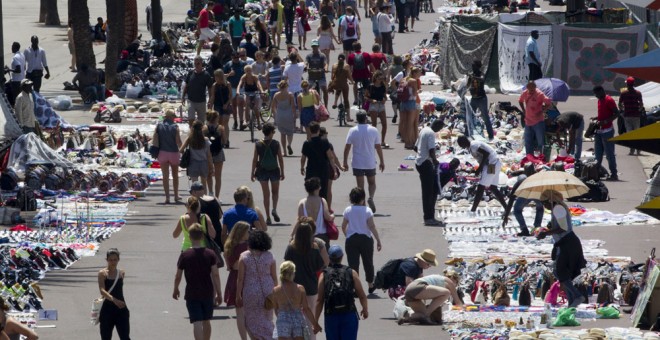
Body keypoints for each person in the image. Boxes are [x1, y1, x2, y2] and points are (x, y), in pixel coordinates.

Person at [536, 190, 586, 307]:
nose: (544, 205)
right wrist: (549, 227)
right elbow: (560, 224)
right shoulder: (557, 208)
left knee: (560, 271)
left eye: (544, 202)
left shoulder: (558, 208)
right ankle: (572, 299)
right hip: (564, 243)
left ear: (550, 200)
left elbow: (563, 228)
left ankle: (577, 296)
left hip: (568, 243)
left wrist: (546, 233)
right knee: (559, 272)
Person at [173, 224, 223, 340]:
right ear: (202, 237)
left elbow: (178, 275)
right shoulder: (210, 254)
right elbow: (215, 274)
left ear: (189, 237)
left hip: (192, 293)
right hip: (207, 292)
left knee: (196, 322)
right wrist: (219, 293)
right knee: (206, 320)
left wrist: (176, 288)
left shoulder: (185, 255)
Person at [315, 245, 368, 340]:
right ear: (342, 257)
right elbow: (362, 295)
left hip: (331, 315)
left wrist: (315, 321)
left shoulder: (324, 274)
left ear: (329, 258)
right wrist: (365, 309)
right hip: (349, 314)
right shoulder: (351, 272)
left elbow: (319, 300)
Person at [284, 219, 326, 340]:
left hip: (294, 287)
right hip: (311, 287)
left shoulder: (291, 248)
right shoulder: (314, 248)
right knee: (310, 318)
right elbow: (320, 266)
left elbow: (286, 266)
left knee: (294, 317)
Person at [235, 230, 277, 338]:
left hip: (250, 291)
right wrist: (276, 292)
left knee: (251, 320)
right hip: (268, 290)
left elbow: (240, 279)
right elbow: (274, 276)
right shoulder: (270, 256)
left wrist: (238, 295)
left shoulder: (244, 256)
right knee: (267, 318)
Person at [342, 187, 382, 294]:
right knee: (368, 262)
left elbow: (343, 226)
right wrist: (378, 239)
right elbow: (372, 226)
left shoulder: (348, 210)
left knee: (353, 264)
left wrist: (348, 236)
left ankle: (355, 287)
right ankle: (370, 284)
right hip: (366, 240)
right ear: (363, 199)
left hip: (352, 240)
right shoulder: (367, 210)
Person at [343, 111, 385, 213]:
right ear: (366, 118)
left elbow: (347, 147)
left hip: (357, 162)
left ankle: (363, 205)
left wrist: (345, 161)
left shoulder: (352, 131)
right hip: (370, 162)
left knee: (360, 186)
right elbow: (378, 147)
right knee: (372, 183)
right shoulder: (373, 130)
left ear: (357, 119)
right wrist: (382, 161)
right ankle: (370, 197)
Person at [269, 261, 322, 339]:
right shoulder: (300, 288)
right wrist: (315, 324)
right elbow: (306, 308)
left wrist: (283, 316)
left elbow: (276, 309)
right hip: (298, 320)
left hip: (283, 320)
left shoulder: (276, 290)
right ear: (293, 273)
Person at [456, 135, 508, 212]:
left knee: (481, 186)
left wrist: (479, 169)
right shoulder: (472, 146)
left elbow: (486, 154)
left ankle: (473, 210)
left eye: (461, 145)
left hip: (492, 165)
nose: (462, 147)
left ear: (463, 142)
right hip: (494, 163)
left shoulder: (473, 145)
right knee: (493, 188)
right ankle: (507, 208)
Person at [251, 123, 285, 225]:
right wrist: (282, 172)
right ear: (270, 133)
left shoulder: (258, 144)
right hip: (274, 170)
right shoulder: (276, 143)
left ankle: (268, 217)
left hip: (262, 171)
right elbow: (280, 159)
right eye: (273, 132)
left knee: (266, 195)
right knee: (275, 192)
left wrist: (252, 173)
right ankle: (274, 208)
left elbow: (254, 160)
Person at [414, 119, 445, 226]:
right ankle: (428, 218)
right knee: (429, 192)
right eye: (440, 128)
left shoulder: (424, 130)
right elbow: (432, 150)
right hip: (426, 164)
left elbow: (415, 147)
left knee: (427, 191)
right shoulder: (431, 133)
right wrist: (435, 161)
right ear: (436, 125)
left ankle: (428, 216)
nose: (439, 130)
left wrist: (421, 154)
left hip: (419, 162)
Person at [223, 221, 250, 339]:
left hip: (233, 279)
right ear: (242, 233)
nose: (249, 233)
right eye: (248, 231)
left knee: (239, 313)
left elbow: (229, 267)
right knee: (249, 313)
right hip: (246, 278)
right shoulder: (246, 247)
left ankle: (243, 338)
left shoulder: (229, 246)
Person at [501, 164, 544, 237]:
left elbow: (511, 199)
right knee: (540, 208)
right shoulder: (536, 178)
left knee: (517, 210)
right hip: (535, 193)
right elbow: (511, 198)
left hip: (528, 194)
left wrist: (506, 215)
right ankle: (537, 227)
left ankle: (525, 229)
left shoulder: (522, 180)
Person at [97, 248, 130, 340]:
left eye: (115, 259)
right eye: (110, 260)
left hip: (121, 309)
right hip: (107, 310)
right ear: (106, 260)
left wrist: (117, 301)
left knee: (125, 337)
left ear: (118, 259)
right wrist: (114, 300)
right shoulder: (102, 273)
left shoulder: (121, 273)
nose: (113, 262)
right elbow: (102, 290)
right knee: (106, 337)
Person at [301, 122, 338, 200]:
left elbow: (303, 158)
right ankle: (321, 209)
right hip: (323, 170)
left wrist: (302, 167)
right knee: (323, 193)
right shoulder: (324, 141)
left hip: (311, 170)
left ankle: (311, 208)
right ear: (318, 130)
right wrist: (334, 170)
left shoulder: (307, 143)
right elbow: (330, 157)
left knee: (311, 191)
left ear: (310, 131)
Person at [154, 110, 183, 204]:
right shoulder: (175, 127)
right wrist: (182, 149)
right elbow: (178, 141)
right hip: (173, 153)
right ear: (170, 117)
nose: (174, 118)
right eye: (173, 116)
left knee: (165, 176)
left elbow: (155, 139)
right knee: (175, 176)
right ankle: (176, 195)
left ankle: (167, 197)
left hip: (162, 153)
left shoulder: (159, 126)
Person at [593, 85, 620, 181]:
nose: (596, 96)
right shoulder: (599, 100)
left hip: (607, 131)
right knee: (597, 154)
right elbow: (604, 113)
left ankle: (614, 174)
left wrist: (605, 121)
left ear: (601, 91)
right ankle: (595, 173)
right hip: (599, 131)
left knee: (609, 154)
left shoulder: (609, 100)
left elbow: (617, 113)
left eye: (597, 94)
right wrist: (597, 118)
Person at [297, 177, 335, 244]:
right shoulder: (322, 201)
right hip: (321, 235)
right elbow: (327, 217)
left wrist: (292, 235)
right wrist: (332, 216)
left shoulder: (302, 202)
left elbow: (300, 220)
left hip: (306, 235)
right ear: (319, 188)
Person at [519, 80, 552, 156]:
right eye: (529, 89)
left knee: (540, 141)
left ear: (535, 87)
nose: (530, 91)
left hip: (538, 121)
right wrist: (523, 110)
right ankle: (529, 156)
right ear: (527, 88)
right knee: (528, 141)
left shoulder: (539, 94)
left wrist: (543, 110)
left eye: (532, 89)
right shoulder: (525, 92)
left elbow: (548, 102)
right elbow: (520, 100)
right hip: (528, 121)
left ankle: (542, 156)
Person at [189, 181, 223, 250]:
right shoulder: (215, 199)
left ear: (195, 192)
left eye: (191, 192)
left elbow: (194, 218)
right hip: (217, 229)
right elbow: (220, 215)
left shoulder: (197, 203)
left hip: (205, 234)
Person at [180, 120, 214, 188]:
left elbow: (181, 150)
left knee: (194, 183)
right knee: (204, 183)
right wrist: (211, 167)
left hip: (193, 163)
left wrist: (186, 154)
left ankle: (195, 197)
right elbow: (209, 155)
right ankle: (204, 197)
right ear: (202, 128)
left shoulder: (190, 139)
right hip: (204, 163)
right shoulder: (205, 140)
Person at [467, 60, 494, 141]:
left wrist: (473, 77)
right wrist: (468, 80)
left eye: (473, 65)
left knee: (485, 117)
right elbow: (468, 85)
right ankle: (469, 134)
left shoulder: (481, 74)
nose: (472, 67)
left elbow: (482, 80)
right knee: (470, 117)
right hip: (473, 99)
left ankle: (491, 135)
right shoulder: (471, 75)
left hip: (481, 98)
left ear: (478, 66)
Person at [183, 56, 214, 124]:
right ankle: (192, 132)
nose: (196, 65)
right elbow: (186, 85)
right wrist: (183, 97)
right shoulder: (190, 73)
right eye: (195, 63)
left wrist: (210, 99)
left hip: (201, 101)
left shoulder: (206, 75)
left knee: (201, 121)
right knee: (191, 119)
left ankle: (200, 134)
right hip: (190, 100)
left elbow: (210, 88)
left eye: (198, 63)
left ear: (201, 63)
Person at [202, 111, 226, 198]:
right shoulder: (221, 128)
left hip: (207, 153)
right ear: (216, 118)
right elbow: (224, 141)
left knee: (208, 174)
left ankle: (210, 192)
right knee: (218, 176)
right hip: (218, 152)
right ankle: (217, 196)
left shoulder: (204, 128)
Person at [618, 77, 644, 155]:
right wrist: (639, 110)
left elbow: (619, 104)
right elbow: (641, 104)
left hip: (627, 116)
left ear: (627, 84)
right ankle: (638, 150)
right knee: (637, 133)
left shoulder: (623, 93)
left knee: (630, 134)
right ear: (634, 84)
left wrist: (622, 111)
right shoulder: (638, 93)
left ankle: (631, 150)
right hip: (636, 116)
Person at [320, 127, 344, 210]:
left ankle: (320, 207)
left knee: (318, 188)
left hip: (318, 168)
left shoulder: (313, 143)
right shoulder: (328, 144)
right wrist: (339, 167)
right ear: (323, 134)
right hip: (328, 167)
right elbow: (333, 157)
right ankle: (328, 207)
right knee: (328, 189)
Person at [271, 80, 297, 156]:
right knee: (290, 132)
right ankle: (289, 144)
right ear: (286, 87)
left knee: (282, 134)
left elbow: (273, 107)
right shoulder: (290, 95)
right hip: (288, 115)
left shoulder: (276, 95)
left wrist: (275, 115)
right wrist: (294, 115)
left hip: (280, 115)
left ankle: (284, 152)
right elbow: (293, 107)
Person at [399, 66, 422, 149]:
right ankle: (410, 142)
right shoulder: (413, 81)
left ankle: (406, 142)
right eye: (419, 72)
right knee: (411, 123)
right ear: (414, 73)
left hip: (403, 102)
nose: (420, 74)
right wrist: (418, 91)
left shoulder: (404, 79)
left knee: (404, 123)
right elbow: (415, 93)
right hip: (411, 102)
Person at [209, 70, 232, 148]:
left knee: (225, 123)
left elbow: (231, 96)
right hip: (217, 105)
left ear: (220, 76)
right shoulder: (214, 85)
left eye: (216, 76)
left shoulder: (227, 84)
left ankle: (226, 140)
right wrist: (210, 107)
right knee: (219, 123)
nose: (215, 78)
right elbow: (212, 96)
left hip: (226, 105)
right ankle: (221, 140)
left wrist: (227, 104)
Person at [237, 65, 265, 130]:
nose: (249, 72)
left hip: (255, 92)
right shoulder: (244, 77)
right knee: (246, 104)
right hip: (247, 92)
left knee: (255, 107)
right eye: (247, 71)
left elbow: (259, 84)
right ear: (245, 71)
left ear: (252, 70)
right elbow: (239, 84)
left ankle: (258, 122)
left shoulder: (255, 77)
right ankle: (245, 120)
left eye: (250, 70)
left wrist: (262, 91)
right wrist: (238, 91)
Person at [224, 52, 247, 130]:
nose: (236, 59)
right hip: (232, 87)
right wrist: (229, 74)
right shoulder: (228, 64)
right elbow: (223, 76)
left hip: (241, 87)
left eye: (237, 57)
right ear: (232, 57)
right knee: (234, 105)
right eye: (234, 58)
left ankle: (241, 122)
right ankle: (235, 122)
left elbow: (247, 74)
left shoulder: (243, 64)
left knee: (240, 104)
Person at [365, 70, 388, 147]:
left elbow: (385, 96)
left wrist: (384, 99)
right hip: (373, 105)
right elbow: (365, 96)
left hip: (381, 105)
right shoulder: (371, 86)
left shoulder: (383, 86)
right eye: (379, 78)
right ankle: (373, 141)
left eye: (382, 78)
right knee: (374, 124)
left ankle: (383, 141)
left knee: (384, 124)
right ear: (376, 77)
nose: (381, 79)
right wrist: (371, 100)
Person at [330, 54, 354, 121]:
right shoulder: (346, 66)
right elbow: (349, 76)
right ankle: (348, 117)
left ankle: (335, 102)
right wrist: (352, 82)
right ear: (344, 60)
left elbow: (332, 77)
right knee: (346, 100)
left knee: (338, 88)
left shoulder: (334, 66)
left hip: (336, 84)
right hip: (344, 85)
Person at [306, 40, 329, 105]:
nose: (314, 48)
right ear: (311, 47)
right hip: (312, 75)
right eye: (313, 46)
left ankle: (326, 107)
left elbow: (325, 63)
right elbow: (306, 62)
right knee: (306, 90)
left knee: (325, 90)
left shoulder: (322, 55)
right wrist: (305, 66)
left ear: (318, 46)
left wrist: (326, 68)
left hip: (321, 75)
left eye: (315, 46)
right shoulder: (309, 55)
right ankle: (307, 105)